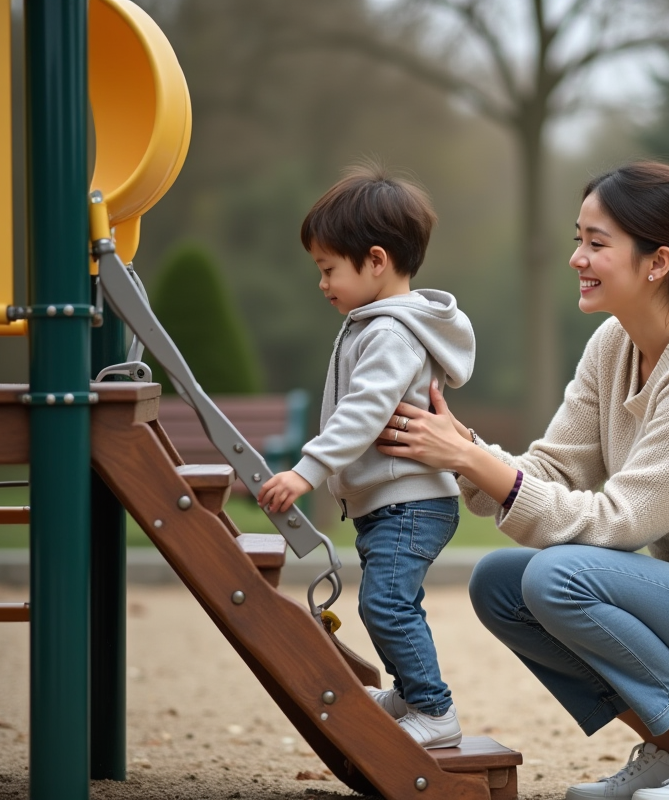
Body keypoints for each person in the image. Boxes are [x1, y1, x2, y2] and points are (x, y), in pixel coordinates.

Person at [375, 161, 669, 799]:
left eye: (597, 243)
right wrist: (465, 447)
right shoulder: (613, 345)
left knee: (557, 576)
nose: (578, 257)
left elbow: (617, 526)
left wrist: (470, 461)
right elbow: (554, 469)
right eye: (579, 239)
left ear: (656, 263)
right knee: (500, 584)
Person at [257, 163, 475, 749]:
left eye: (328, 269)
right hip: (397, 501)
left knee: (386, 604)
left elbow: (364, 410)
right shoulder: (376, 324)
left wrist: (308, 470)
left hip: (413, 502)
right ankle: (410, 692)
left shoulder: (389, 333)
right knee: (389, 604)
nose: (322, 283)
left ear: (375, 261)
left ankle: (433, 708)